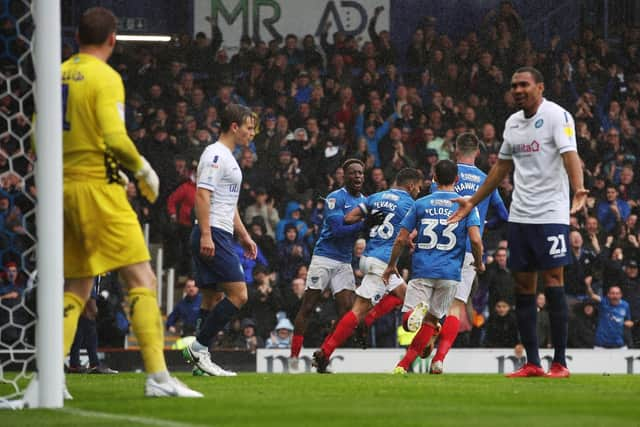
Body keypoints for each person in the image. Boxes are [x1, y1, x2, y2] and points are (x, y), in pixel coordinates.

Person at [59, 7, 200, 398]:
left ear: (76, 38)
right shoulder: (105, 77)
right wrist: (141, 171)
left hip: (65, 189)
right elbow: (115, 137)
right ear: (113, 40)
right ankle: (158, 376)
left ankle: (50, 378)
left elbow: (41, 138)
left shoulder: (58, 74)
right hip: (99, 192)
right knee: (142, 279)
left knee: (78, 284)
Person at [449, 66, 588, 378]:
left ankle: (560, 363)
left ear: (539, 86)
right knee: (523, 287)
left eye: (524, 84)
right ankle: (532, 363)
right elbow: (500, 170)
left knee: (553, 283)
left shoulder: (557, 116)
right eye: (514, 85)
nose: (518, 90)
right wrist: (473, 200)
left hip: (551, 214)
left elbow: (570, 155)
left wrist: (578, 189)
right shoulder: (513, 122)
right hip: (521, 216)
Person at [312, 168, 422, 372]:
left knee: (405, 296)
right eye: (418, 188)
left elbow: (348, 218)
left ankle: (368, 320)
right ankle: (325, 352)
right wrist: (409, 239)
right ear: (411, 185)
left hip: (368, 256)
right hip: (383, 263)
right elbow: (409, 232)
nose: (419, 192)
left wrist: (369, 221)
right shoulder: (410, 204)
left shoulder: (375, 197)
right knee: (358, 310)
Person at [382, 160, 484, 374]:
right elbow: (475, 240)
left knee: (408, 321)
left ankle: (416, 321)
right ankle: (404, 365)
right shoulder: (466, 206)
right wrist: (480, 262)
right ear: (456, 179)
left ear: (434, 178)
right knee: (431, 322)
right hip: (450, 273)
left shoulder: (421, 203)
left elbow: (400, 239)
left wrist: (392, 265)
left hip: (423, 269)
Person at [181, 103, 257, 378]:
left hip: (219, 230)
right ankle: (199, 348)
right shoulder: (215, 154)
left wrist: (245, 236)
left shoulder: (228, 157)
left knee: (211, 297)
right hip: (212, 231)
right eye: (249, 127)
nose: (252, 133)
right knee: (239, 294)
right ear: (234, 127)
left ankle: (202, 363)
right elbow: (203, 195)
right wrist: (205, 233)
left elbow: (228, 203)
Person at [428, 133, 508, 374]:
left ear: (455, 151)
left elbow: (432, 207)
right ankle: (439, 359)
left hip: (440, 246)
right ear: (478, 153)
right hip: (469, 249)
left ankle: (427, 338)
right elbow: (504, 216)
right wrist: (483, 224)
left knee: (432, 303)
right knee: (456, 305)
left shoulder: (443, 177)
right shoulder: (486, 180)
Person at [289, 159, 372, 365]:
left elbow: (369, 228)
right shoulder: (335, 198)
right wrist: (364, 223)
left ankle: (323, 356)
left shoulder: (366, 201)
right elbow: (337, 230)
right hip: (324, 257)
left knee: (346, 312)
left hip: (345, 262)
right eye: (353, 173)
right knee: (308, 307)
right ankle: (292, 358)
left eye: (361, 173)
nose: (358, 177)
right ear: (343, 176)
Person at [585, 283, 634, 349]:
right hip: (601, 345)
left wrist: (630, 323)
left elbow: (629, 321)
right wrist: (588, 285)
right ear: (608, 295)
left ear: (621, 295)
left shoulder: (625, 305)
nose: (615, 296)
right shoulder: (603, 302)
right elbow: (592, 295)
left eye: (617, 293)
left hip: (619, 344)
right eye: (612, 293)